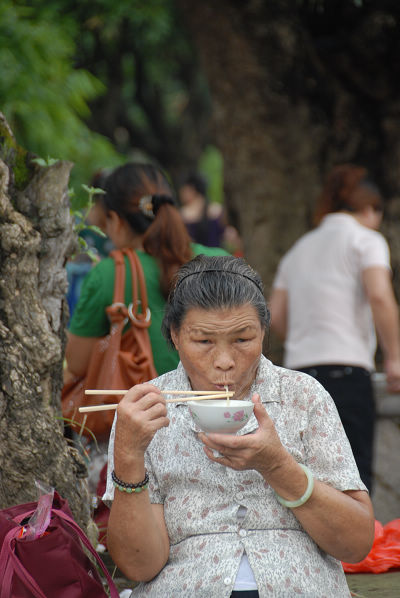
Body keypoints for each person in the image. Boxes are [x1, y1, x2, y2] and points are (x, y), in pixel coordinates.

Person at [103, 254, 374, 598]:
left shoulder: (304, 396)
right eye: (203, 341)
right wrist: (128, 455)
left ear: (263, 331)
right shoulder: (144, 411)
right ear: (174, 334)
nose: (224, 361)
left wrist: (276, 465)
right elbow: (140, 566)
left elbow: (355, 544)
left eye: (243, 339)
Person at [64, 162, 229, 494]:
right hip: (218, 438)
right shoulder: (220, 263)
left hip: (137, 444)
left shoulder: (110, 273)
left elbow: (77, 365)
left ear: (115, 221)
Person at [269, 164, 400, 493]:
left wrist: (304, 340)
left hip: (298, 375)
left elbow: (275, 315)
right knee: (353, 484)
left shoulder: (297, 250)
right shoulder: (367, 240)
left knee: (309, 482)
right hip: (347, 373)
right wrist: (395, 357)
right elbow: (381, 297)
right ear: (371, 209)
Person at [179, 172, 243, 255]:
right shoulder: (217, 210)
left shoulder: (183, 214)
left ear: (192, 190)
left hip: (195, 263)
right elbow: (233, 238)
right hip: (218, 260)